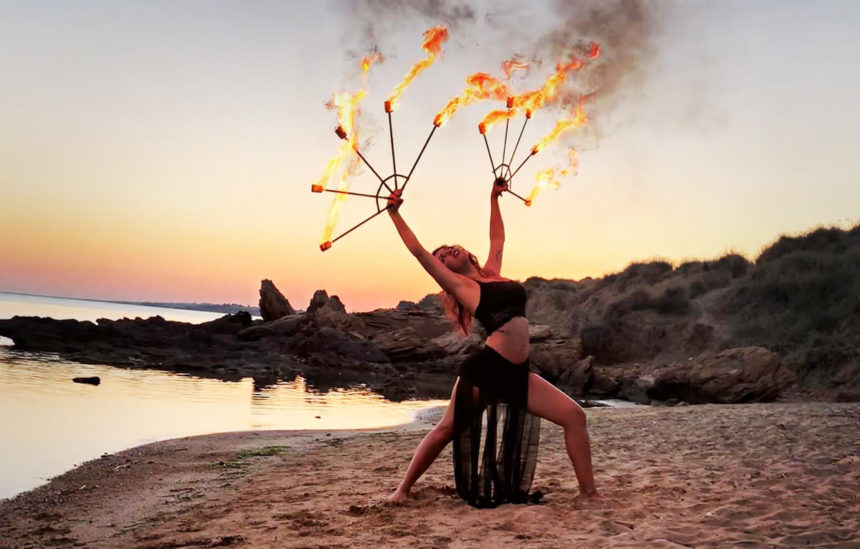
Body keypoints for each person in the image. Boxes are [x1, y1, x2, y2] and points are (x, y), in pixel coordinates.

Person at [386, 179, 599, 507]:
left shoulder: (492, 274)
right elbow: (417, 251)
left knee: (575, 417)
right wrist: (394, 213)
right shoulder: (461, 286)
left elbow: (498, 237)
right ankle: (402, 489)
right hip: (486, 370)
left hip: (517, 373)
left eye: (450, 247)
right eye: (442, 255)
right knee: (446, 430)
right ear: (443, 268)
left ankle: (590, 494)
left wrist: (493, 198)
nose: (447, 252)